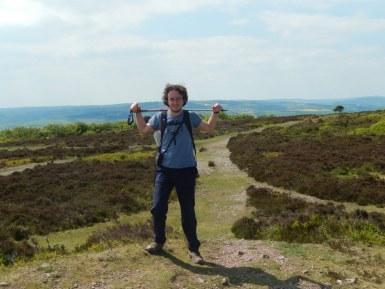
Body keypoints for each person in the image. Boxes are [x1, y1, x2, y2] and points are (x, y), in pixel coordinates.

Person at [130, 84, 222, 265]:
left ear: (183, 100)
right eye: (171, 99)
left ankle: (193, 249)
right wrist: (137, 113)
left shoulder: (190, 116)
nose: (175, 102)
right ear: (167, 100)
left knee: (188, 211)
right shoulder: (160, 117)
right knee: (157, 208)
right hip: (164, 170)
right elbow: (143, 131)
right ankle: (158, 242)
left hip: (186, 170)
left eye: (178, 98)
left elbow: (209, 128)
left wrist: (215, 112)